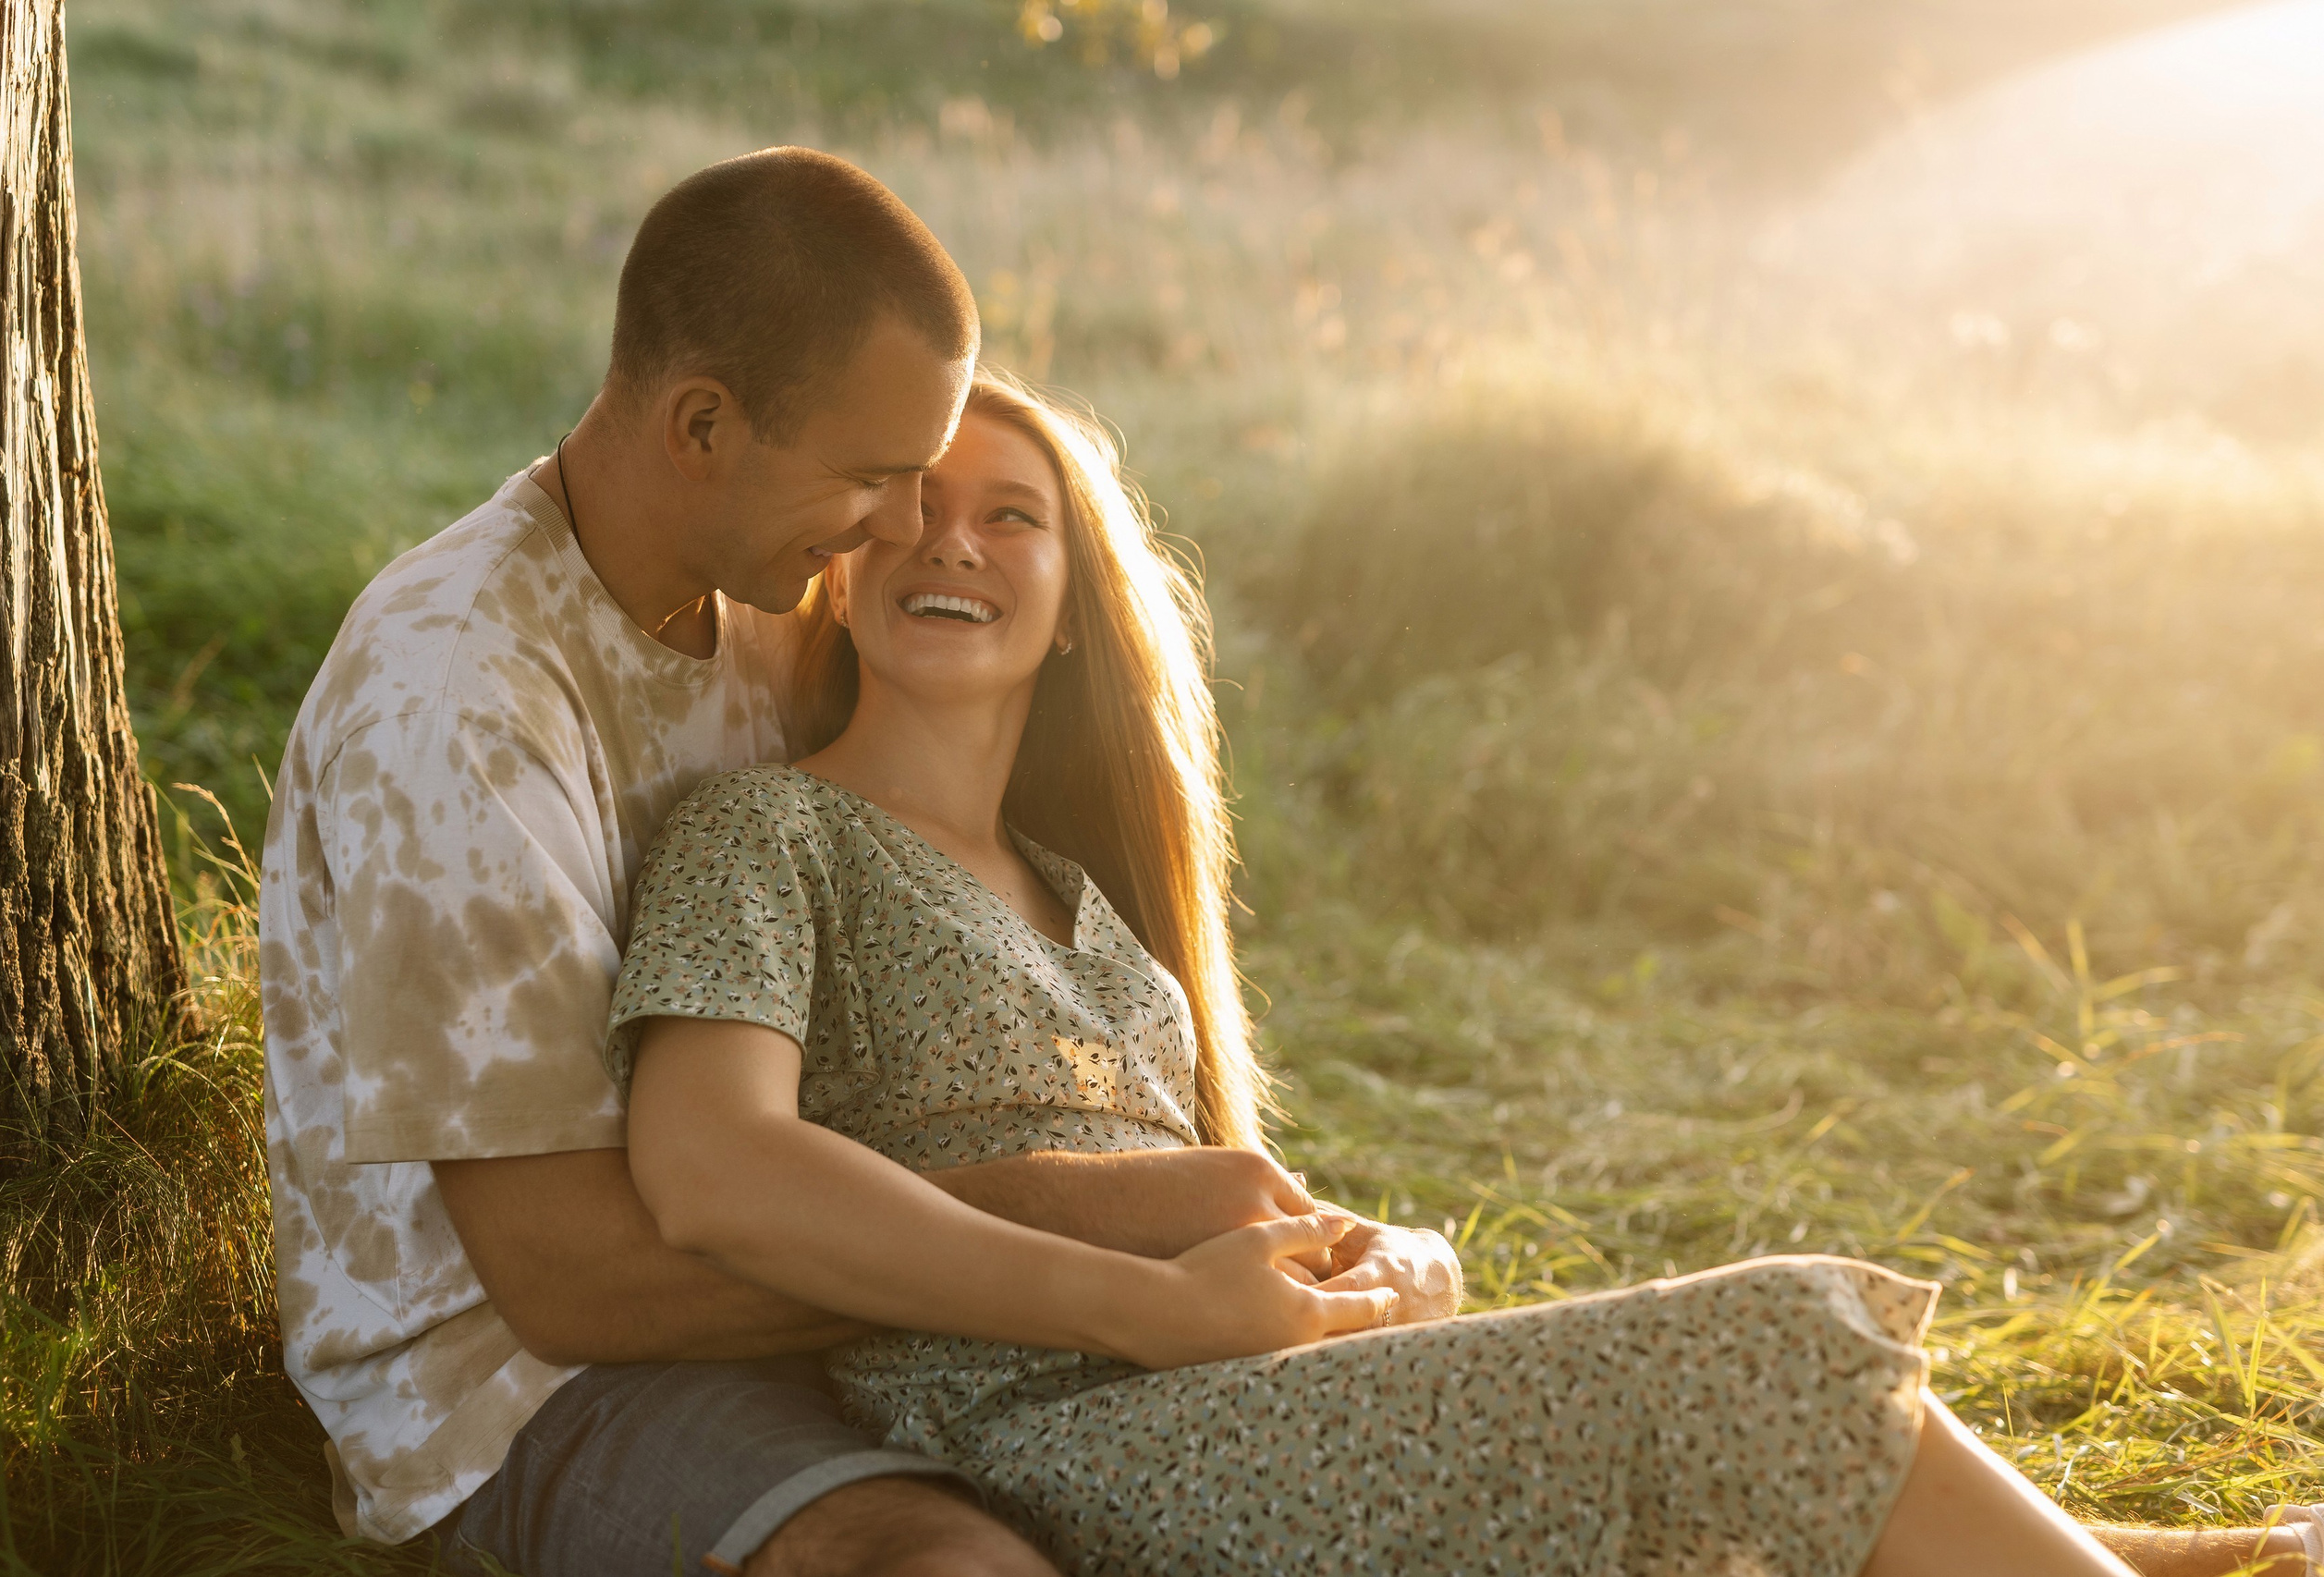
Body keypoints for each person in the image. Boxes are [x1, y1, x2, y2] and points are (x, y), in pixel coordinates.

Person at [605, 369, 2287, 1577]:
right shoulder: (770, 835)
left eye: (1010, 516)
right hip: (1049, 1432)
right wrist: (1155, 1261)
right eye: (911, 506)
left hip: (1251, 1397)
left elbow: (1216, 1202)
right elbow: (714, 1166)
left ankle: (2199, 1559)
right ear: (843, 561)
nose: (948, 542)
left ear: (1069, 604)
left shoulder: (1084, 899)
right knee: (1767, 1337)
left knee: (1697, 1447)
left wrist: (1370, 1261)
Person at [261, 145, 1456, 1575]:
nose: (899, 527)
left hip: (874, 1317)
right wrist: (1116, 1240)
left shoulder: (760, 598)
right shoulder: (460, 692)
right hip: (527, 1387)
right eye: (876, 476)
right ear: (702, 426)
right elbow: (572, 1281)